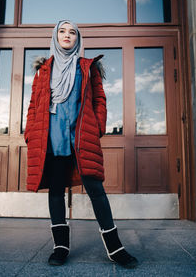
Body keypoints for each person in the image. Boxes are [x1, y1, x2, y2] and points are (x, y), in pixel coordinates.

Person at [24, 20, 138, 269]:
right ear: (55, 37)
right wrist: (31, 132)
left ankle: (115, 248)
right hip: (51, 138)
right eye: (62, 31)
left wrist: (96, 127)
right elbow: (33, 105)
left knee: (96, 189)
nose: (67, 35)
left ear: (78, 38)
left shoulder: (86, 67)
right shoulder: (43, 70)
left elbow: (100, 100)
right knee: (56, 191)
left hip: (80, 137)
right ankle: (60, 247)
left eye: (72, 32)